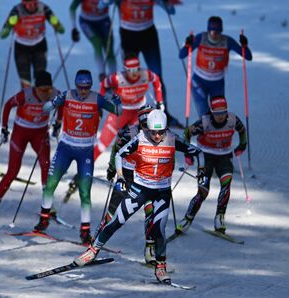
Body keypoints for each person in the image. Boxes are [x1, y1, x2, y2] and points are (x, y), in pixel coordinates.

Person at [73, 109, 205, 284]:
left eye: (161, 132)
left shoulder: (172, 138)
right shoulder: (139, 138)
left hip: (162, 192)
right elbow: (120, 154)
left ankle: (160, 267)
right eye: (153, 132)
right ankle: (92, 251)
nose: (157, 136)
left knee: (159, 229)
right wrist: (120, 176)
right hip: (140, 189)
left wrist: (202, 171)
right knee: (116, 221)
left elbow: (198, 152)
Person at [34, 69, 120, 245]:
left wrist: (118, 104)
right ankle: (44, 220)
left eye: (86, 87)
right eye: (80, 87)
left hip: (85, 151)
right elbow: (44, 109)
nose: (83, 91)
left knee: (84, 192)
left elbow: (117, 111)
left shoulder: (96, 98)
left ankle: (85, 231)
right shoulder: (67, 96)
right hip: (66, 147)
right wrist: (51, 104)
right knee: (50, 184)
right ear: (76, 85)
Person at [64, 53, 164, 199]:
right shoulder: (117, 78)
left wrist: (160, 102)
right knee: (102, 144)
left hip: (138, 113)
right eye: (130, 70)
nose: (134, 73)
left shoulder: (145, 74)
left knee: (138, 145)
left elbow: (157, 80)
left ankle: (138, 178)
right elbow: (104, 84)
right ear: (125, 70)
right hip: (121, 112)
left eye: (136, 69)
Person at [0, 71, 59, 218]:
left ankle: (48, 203)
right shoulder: (26, 95)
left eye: (48, 89)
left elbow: (62, 105)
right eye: (42, 90)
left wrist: (58, 123)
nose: (46, 94)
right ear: (36, 89)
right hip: (20, 134)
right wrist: (4, 128)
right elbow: (8, 105)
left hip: (40, 134)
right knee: (13, 170)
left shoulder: (55, 94)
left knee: (46, 165)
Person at [98, 0, 183, 127]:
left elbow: (171, 11)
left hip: (148, 35)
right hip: (128, 35)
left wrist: (167, 3)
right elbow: (101, 5)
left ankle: (165, 114)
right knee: (128, 78)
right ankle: (126, 115)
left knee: (157, 75)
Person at [176, 96, 247, 234]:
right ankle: (187, 218)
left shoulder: (233, 120)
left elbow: (242, 130)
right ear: (211, 112)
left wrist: (242, 146)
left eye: (223, 112)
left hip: (224, 156)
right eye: (216, 113)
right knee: (203, 192)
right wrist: (188, 154)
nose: (220, 116)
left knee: (226, 184)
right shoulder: (204, 123)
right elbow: (187, 133)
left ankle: (220, 217)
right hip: (205, 157)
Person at [102, 104, 155, 264]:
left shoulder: (160, 134)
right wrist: (112, 168)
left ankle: (149, 249)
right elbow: (116, 149)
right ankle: (95, 243)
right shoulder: (130, 133)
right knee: (112, 210)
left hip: (145, 177)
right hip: (127, 174)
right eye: (144, 125)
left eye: (150, 125)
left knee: (150, 210)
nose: (148, 129)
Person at [179, 16, 252, 117]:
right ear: (208, 30)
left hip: (217, 83)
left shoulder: (227, 41)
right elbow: (182, 55)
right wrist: (187, 45)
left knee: (219, 114)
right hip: (199, 81)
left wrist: (244, 45)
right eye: (212, 31)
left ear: (221, 31)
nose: (214, 35)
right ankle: (204, 132)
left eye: (217, 32)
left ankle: (216, 133)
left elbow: (248, 56)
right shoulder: (201, 38)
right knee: (204, 115)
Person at [0, 0, 65, 88]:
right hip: (21, 47)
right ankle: (27, 99)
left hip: (39, 45)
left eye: (34, 3)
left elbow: (60, 28)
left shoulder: (43, 8)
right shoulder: (17, 10)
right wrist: (9, 25)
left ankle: (38, 100)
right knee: (25, 80)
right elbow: (3, 34)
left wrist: (56, 24)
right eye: (28, 4)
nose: (31, 6)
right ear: (23, 3)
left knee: (40, 79)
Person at [69, 0, 116, 80]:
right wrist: (73, 28)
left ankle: (113, 76)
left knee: (109, 48)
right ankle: (102, 75)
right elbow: (72, 8)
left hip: (103, 21)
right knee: (97, 43)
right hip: (87, 22)